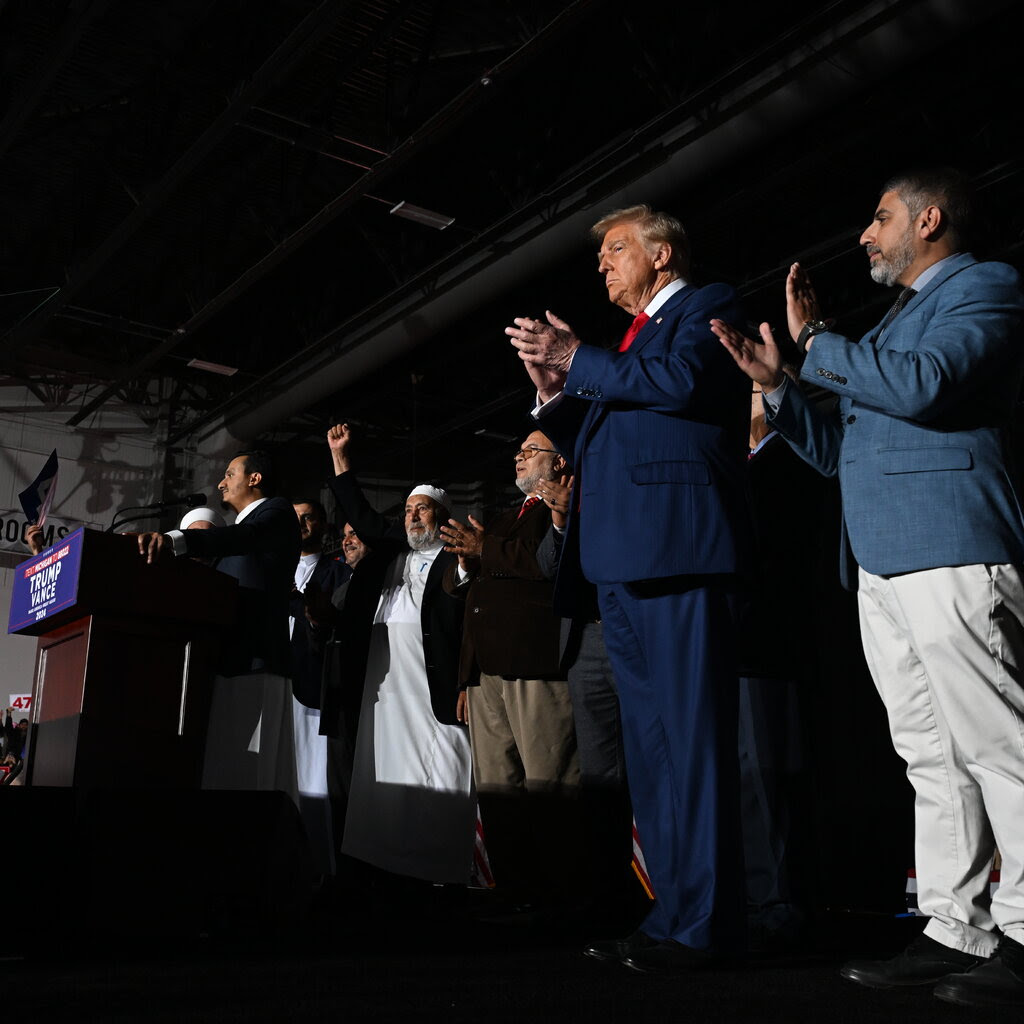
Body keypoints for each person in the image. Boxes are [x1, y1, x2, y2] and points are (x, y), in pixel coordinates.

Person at [713, 168, 1024, 1007]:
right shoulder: (889, 322)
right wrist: (778, 386)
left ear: (930, 219)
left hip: (952, 546)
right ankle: (957, 927)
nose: (864, 234)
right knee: (929, 753)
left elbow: (925, 386)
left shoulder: (988, 287)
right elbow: (839, 453)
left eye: (879, 217)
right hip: (880, 562)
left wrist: (817, 346)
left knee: (998, 742)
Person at [506, 204, 751, 968]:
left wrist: (579, 358)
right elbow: (611, 421)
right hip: (618, 561)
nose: (603, 264)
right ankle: (669, 916)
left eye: (616, 250)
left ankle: (706, 925)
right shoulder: (630, 341)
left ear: (664, 254)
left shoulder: (707, 307)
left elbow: (678, 384)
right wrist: (555, 389)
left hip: (676, 552)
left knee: (693, 748)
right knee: (651, 756)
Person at [324, 423, 474, 884]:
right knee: (381, 775)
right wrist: (341, 462)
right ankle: (384, 865)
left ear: (443, 516)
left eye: (422, 509)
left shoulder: (457, 557)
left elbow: (471, 628)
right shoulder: (392, 552)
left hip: (433, 684)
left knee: (442, 771)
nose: (412, 517)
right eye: (407, 509)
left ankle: (441, 868)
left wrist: (468, 681)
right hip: (385, 688)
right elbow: (365, 518)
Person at [440, 431, 581, 909]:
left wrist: (484, 552)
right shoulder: (502, 518)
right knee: (498, 790)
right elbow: (465, 590)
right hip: (487, 676)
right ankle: (516, 893)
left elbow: (548, 565)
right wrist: (465, 563)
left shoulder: (565, 508)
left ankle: (562, 898)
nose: (519, 456)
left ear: (560, 463)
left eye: (532, 450)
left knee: (550, 785)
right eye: (519, 450)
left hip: (535, 666)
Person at [137, 450, 301, 798]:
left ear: (254, 479)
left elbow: (242, 539)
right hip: (229, 661)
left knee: (250, 780)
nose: (220, 482)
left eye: (229, 474)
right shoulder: (245, 529)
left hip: (257, 662)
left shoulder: (276, 513)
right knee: (226, 772)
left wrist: (176, 540)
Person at [289, 498, 350, 875]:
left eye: (309, 517)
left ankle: (324, 873)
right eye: (295, 519)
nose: (302, 524)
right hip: (276, 690)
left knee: (317, 787)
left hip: (316, 695)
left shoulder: (338, 574)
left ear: (324, 524)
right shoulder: (274, 570)